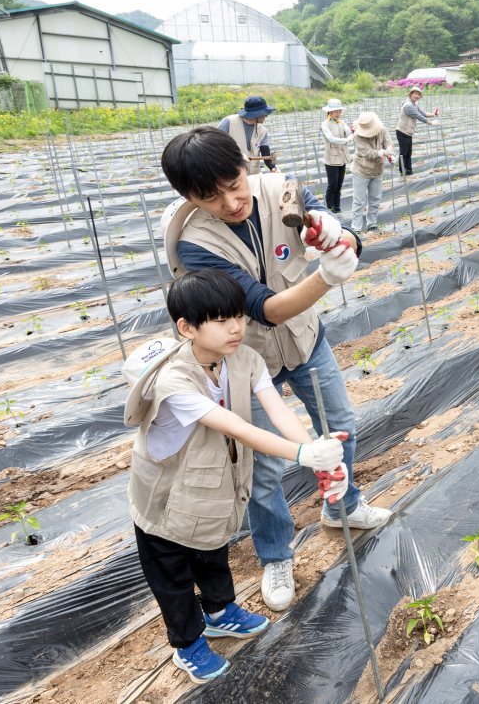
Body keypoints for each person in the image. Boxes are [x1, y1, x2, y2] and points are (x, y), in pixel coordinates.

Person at [159, 127, 394, 614]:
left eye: (234, 183)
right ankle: (275, 555)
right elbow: (266, 309)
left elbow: (340, 229)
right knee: (264, 464)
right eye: (211, 196)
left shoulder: (280, 189)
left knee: (340, 427)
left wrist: (338, 234)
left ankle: (342, 508)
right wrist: (328, 276)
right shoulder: (194, 244)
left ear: (244, 166)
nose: (231, 201)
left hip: (307, 342)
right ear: (188, 198)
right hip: (248, 360)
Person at [123, 269, 349, 684]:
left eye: (240, 317)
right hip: (163, 497)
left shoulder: (245, 358)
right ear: (187, 328)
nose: (236, 328)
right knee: (173, 575)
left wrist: (318, 455)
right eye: (221, 320)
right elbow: (235, 427)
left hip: (209, 489)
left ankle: (220, 612)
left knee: (211, 548)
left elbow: (277, 410)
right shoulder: (175, 380)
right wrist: (303, 453)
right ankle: (188, 645)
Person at [348, 111, 394, 233]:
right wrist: (382, 153)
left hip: (378, 170)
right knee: (359, 201)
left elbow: (389, 143)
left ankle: (372, 224)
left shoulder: (382, 129)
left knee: (375, 198)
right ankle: (356, 227)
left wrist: (391, 153)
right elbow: (368, 153)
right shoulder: (358, 136)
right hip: (361, 171)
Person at [218, 95, 276, 174]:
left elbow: (266, 154)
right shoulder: (229, 122)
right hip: (233, 174)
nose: (266, 116)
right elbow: (216, 147)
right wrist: (236, 155)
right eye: (264, 114)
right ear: (257, 115)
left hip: (254, 175)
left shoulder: (262, 131)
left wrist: (273, 168)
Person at [396, 86, 439, 176]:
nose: (417, 96)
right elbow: (418, 116)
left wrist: (433, 114)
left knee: (408, 153)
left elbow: (423, 113)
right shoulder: (408, 105)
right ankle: (403, 172)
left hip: (408, 132)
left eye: (419, 94)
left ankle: (409, 171)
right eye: (415, 94)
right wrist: (431, 123)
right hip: (402, 131)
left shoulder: (414, 104)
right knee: (403, 153)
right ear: (411, 94)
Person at [320, 98, 353, 214]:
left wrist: (351, 132)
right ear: (330, 112)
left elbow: (349, 132)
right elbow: (330, 138)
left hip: (342, 157)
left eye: (339, 111)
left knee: (339, 184)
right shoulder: (325, 124)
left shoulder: (342, 122)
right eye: (336, 111)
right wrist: (346, 140)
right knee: (332, 185)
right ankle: (329, 207)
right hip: (331, 159)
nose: (338, 113)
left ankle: (337, 207)